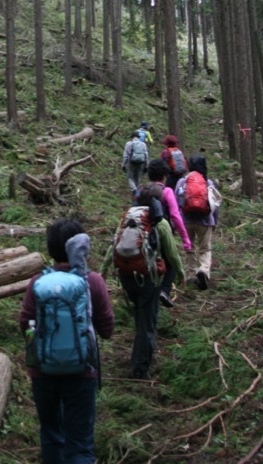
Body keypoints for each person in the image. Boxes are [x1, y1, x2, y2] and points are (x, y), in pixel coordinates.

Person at [19, 219, 115, 464]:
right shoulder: (92, 281)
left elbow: (25, 323)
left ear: (51, 249)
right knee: (80, 443)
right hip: (82, 371)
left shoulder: (37, 283)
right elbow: (107, 329)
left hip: (43, 371)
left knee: (52, 435)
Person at [102, 192, 185, 381]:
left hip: (126, 276)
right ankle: (140, 369)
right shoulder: (159, 222)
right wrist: (181, 273)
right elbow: (172, 253)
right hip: (148, 278)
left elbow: (113, 244)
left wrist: (104, 269)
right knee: (147, 323)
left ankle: (139, 357)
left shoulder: (128, 218)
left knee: (141, 317)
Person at [142, 159, 192, 308]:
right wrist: (185, 240)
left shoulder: (142, 191)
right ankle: (164, 290)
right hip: (161, 233)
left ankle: (149, 293)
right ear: (165, 176)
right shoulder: (167, 191)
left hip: (142, 232)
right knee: (170, 263)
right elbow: (176, 215)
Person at [175, 154, 221, 290]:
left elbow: (177, 201)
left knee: (189, 247)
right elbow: (215, 205)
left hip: (186, 220)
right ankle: (203, 270)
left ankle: (190, 274)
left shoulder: (182, 181)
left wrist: (177, 221)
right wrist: (214, 221)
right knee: (205, 248)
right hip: (205, 221)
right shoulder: (208, 182)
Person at [122, 131, 149, 196]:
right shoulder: (143, 144)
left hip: (131, 162)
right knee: (138, 178)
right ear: (139, 137)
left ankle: (135, 191)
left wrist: (123, 164)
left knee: (130, 178)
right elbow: (146, 155)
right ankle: (137, 194)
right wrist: (146, 165)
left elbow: (126, 155)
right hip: (141, 163)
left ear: (132, 137)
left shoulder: (129, 143)